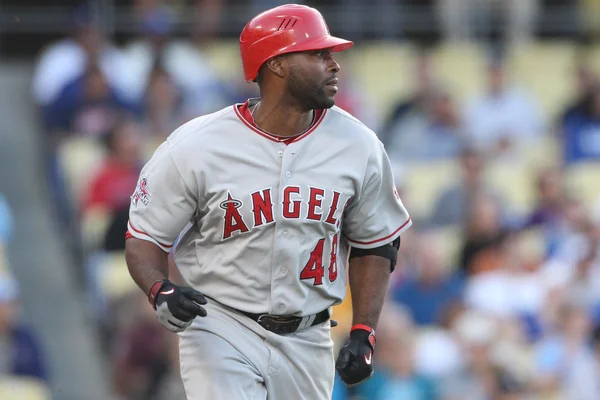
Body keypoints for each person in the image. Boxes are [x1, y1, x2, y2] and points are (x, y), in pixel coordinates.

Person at [124, 4, 412, 400]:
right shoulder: (197, 146)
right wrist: (160, 289)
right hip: (221, 324)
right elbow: (144, 237)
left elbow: (376, 244)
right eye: (318, 54)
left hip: (309, 336)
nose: (334, 65)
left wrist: (364, 330)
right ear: (276, 65)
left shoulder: (359, 145)